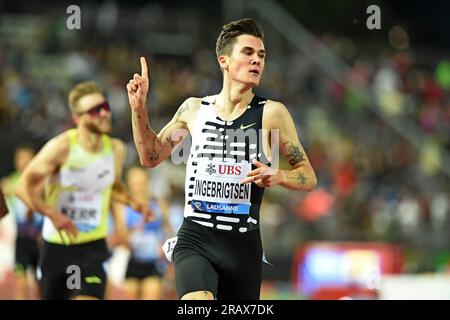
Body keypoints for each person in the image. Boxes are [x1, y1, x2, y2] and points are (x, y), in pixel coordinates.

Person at [127, 18, 317, 300]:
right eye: (248, 53)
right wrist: (139, 108)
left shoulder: (271, 113)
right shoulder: (193, 109)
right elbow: (150, 156)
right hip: (196, 237)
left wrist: (279, 176)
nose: (257, 61)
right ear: (224, 61)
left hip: (243, 245)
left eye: (261, 56)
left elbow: (309, 177)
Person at [16, 81, 153, 300]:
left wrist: (134, 203)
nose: (104, 114)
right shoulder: (61, 147)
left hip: (93, 248)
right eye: (94, 111)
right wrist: (52, 214)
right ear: (77, 118)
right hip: (58, 246)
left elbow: (113, 187)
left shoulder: (115, 149)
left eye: (105, 107)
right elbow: (22, 188)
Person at [122, 166, 173, 300]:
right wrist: (132, 231)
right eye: (135, 183)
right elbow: (119, 237)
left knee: (152, 292)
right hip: (132, 261)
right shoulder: (124, 207)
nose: (139, 187)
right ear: (129, 185)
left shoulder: (159, 205)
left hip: (154, 263)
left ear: (148, 182)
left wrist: (165, 249)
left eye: (142, 183)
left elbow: (171, 234)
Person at [1, 146, 43, 299]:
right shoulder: (9, 182)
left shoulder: (41, 182)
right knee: (21, 284)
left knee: (41, 286)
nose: (23, 162)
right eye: (20, 158)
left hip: (41, 241)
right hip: (22, 241)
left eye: (27, 158)